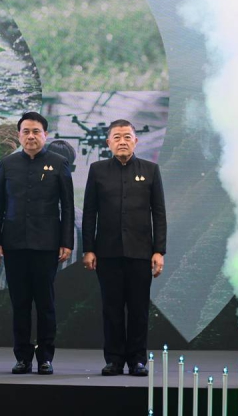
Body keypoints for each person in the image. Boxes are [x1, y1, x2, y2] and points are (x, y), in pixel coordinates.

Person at [0, 112, 75, 375]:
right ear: (19, 135)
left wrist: (66, 242)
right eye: (26, 131)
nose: (31, 136)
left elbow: (68, 206)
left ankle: (46, 357)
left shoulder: (58, 163)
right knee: (20, 304)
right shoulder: (8, 164)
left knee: (45, 304)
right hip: (14, 244)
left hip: (46, 245)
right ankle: (23, 358)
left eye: (36, 131)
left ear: (45, 135)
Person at [81, 119, 166, 377]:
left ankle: (138, 360)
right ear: (108, 142)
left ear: (135, 141)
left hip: (141, 252)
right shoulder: (97, 170)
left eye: (127, 137)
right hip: (107, 253)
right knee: (112, 309)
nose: (122, 141)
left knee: (139, 310)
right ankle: (114, 360)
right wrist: (88, 249)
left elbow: (159, 213)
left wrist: (159, 250)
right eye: (116, 137)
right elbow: (89, 213)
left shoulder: (150, 170)